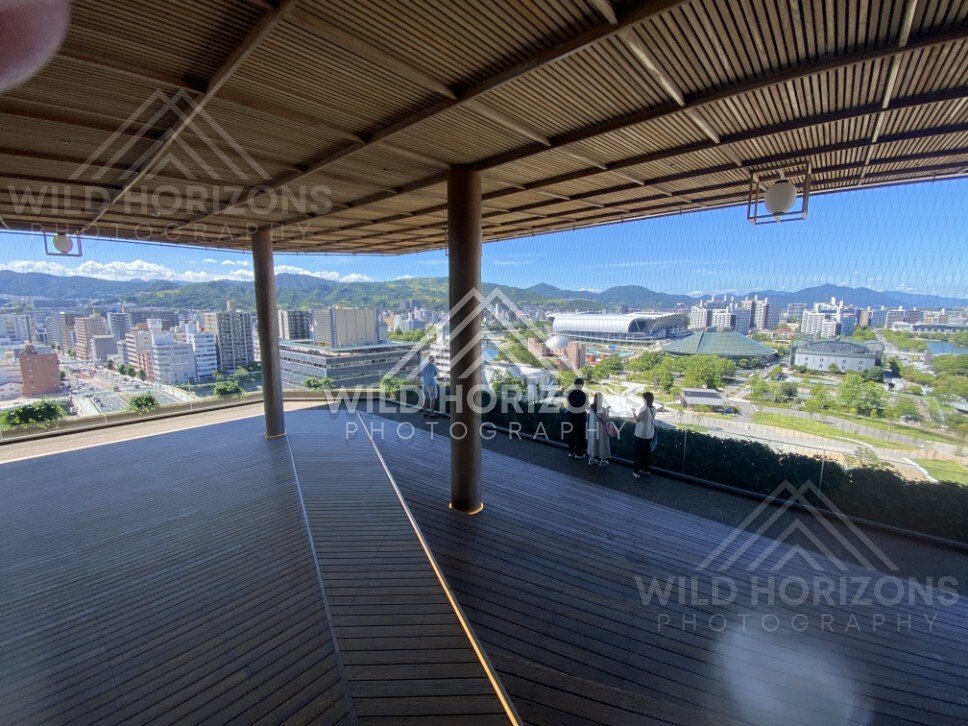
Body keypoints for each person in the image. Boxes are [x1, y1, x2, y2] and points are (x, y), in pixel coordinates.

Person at [633, 391, 657, 479]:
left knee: (638, 453)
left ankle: (636, 471)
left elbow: (638, 420)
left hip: (640, 434)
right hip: (649, 434)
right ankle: (645, 469)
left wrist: (633, 412)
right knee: (646, 453)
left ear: (645, 399)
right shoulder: (654, 408)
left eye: (643, 398)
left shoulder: (644, 408)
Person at [565, 378, 588, 459]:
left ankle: (571, 452)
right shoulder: (584, 394)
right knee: (581, 435)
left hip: (572, 416)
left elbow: (568, 405)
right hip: (581, 417)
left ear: (574, 384)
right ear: (582, 385)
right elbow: (587, 406)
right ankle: (579, 454)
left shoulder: (570, 393)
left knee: (571, 434)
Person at [587, 391, 611, 467]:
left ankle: (591, 459)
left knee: (593, 443)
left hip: (592, 429)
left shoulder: (591, 407)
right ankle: (602, 461)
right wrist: (607, 411)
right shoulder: (601, 408)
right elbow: (606, 420)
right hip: (600, 430)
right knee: (602, 444)